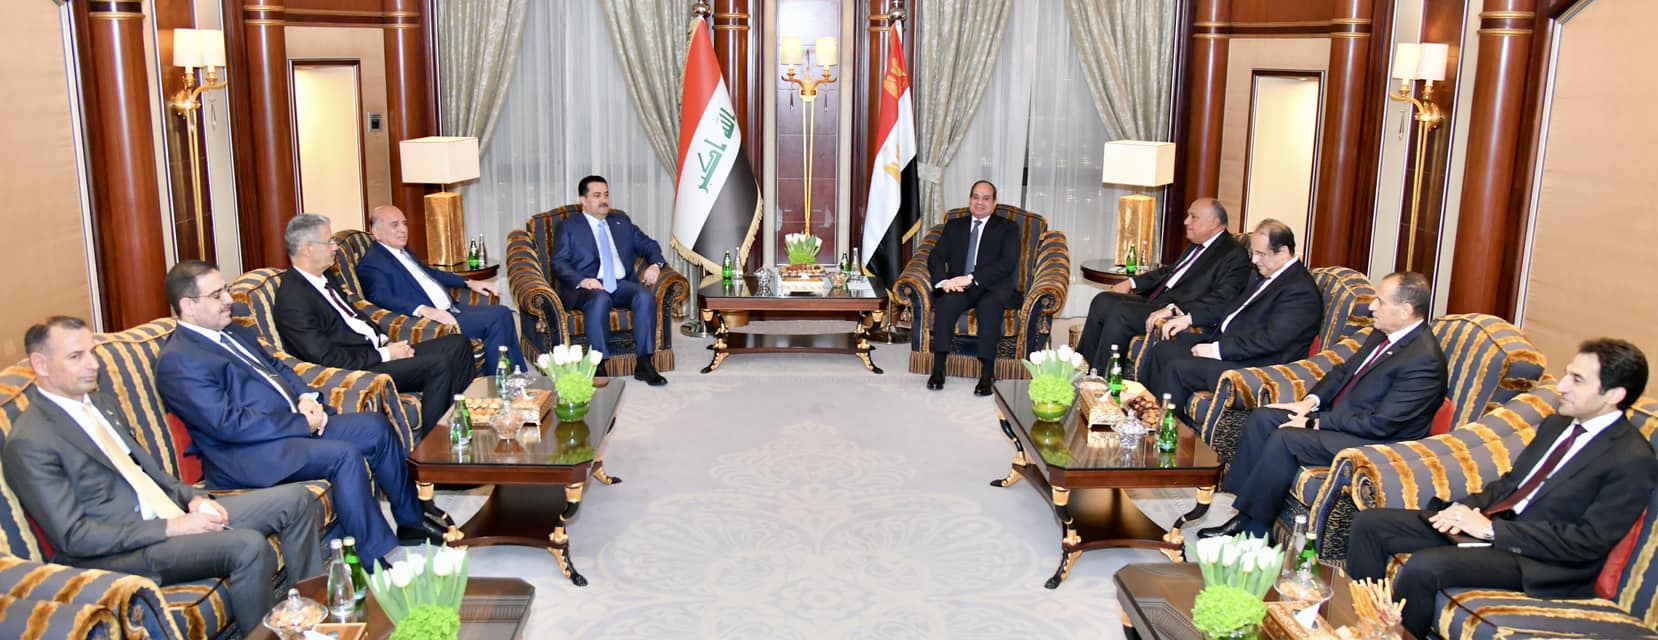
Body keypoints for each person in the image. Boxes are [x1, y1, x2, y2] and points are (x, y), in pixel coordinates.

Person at [4, 316, 324, 634]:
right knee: (248, 546)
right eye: (76, 356)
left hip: (168, 512)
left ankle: (314, 617)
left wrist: (194, 499)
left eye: (92, 352)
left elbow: (150, 473)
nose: (93, 364)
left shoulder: (101, 403)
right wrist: (173, 527)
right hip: (122, 550)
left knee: (295, 500)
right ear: (41, 364)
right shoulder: (31, 441)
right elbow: (75, 537)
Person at [1346, 338, 1658, 638]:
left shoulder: (1632, 458)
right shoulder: (1558, 425)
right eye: (1566, 374)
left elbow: (1588, 541)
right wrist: (1464, 509)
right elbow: (1510, 484)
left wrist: (1493, 532)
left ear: (1614, 394)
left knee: (1425, 567)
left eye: (1577, 380)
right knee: (1370, 524)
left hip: (1541, 559)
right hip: (1493, 526)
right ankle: (1365, 627)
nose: (1561, 386)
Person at [157, 261, 449, 567]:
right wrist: (300, 423)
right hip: (249, 453)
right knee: (343, 455)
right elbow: (228, 424)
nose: (229, 300)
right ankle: (371, 560)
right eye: (217, 295)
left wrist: (307, 397)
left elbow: (279, 366)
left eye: (226, 290)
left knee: (374, 426)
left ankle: (411, 520)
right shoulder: (180, 360)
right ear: (188, 306)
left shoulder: (232, 331)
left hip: (287, 430)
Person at [1198, 272, 1448, 539]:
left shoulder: (1424, 360)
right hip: (1342, 419)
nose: (1371, 307)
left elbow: (1381, 423)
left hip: (1374, 441)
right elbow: (1343, 372)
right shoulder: (1383, 334)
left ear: (1405, 310)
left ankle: (1254, 531)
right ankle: (1240, 509)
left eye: (1380, 301)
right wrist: (1309, 403)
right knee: (1264, 417)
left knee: (1287, 439)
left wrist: (1313, 422)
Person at [273, 214, 476, 435]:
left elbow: (354, 317)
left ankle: (462, 423)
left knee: (459, 344)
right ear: (308, 249)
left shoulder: (325, 276)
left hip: (375, 350)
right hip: (358, 369)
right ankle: (435, 444)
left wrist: (386, 341)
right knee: (438, 364)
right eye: (329, 242)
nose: (335, 247)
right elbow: (327, 358)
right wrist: (386, 354)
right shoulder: (293, 299)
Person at [1141, 218, 1323, 411]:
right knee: (1163, 350)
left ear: (1284, 252)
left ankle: (1166, 425)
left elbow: (1270, 340)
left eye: (1261, 254)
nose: (1254, 261)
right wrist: (1189, 318)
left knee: (1178, 369)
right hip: (1232, 345)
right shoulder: (1266, 274)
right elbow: (1229, 305)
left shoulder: (1299, 290)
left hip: (1257, 366)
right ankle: (1145, 414)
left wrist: (1217, 351)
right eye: (1253, 253)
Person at [1076, 198, 1252, 372]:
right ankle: (1081, 368)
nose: (1186, 221)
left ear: (1213, 223)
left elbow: (1222, 298)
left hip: (1176, 311)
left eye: (1193, 217)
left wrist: (1174, 310)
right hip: (1158, 300)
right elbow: (1169, 272)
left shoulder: (1233, 254)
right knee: (1103, 300)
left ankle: (1100, 377)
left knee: (1121, 312)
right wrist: (1131, 282)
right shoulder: (1197, 245)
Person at [356, 204, 525, 370]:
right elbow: (380, 297)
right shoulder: (373, 262)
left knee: (503, 312)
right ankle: (501, 379)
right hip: (432, 321)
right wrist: (424, 310)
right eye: (395, 225)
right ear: (376, 232)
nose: (403, 229)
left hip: (452, 308)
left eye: (404, 223)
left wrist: (469, 282)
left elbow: (431, 273)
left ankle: (514, 375)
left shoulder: (403, 252)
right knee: (497, 317)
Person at [551, 175, 670, 386]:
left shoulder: (620, 222)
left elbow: (650, 245)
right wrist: (582, 280)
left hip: (620, 284)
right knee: (600, 299)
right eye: (597, 195)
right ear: (583, 200)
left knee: (644, 295)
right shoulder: (569, 226)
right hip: (587, 287)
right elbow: (559, 262)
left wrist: (655, 265)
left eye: (606, 195)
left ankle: (644, 363)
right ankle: (599, 364)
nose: (603, 200)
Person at [925, 180, 1021, 396]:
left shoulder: (1007, 228)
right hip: (960, 287)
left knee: (990, 307)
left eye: (986, 198)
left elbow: (1007, 262)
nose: (980, 202)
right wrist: (944, 282)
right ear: (970, 200)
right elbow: (936, 257)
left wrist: (972, 278)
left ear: (994, 203)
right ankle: (938, 369)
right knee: (946, 303)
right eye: (976, 197)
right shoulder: (954, 226)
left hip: (992, 286)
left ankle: (987, 374)